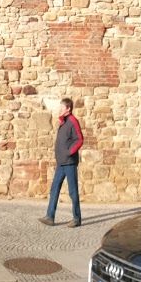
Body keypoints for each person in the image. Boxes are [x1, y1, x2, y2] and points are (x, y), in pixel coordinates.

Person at [40, 97, 83, 227]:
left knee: (72, 191)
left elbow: (80, 139)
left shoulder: (73, 121)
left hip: (69, 162)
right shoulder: (63, 122)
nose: (60, 109)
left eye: (62, 107)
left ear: (68, 109)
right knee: (54, 188)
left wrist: (69, 152)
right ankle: (50, 217)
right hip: (61, 163)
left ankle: (76, 218)